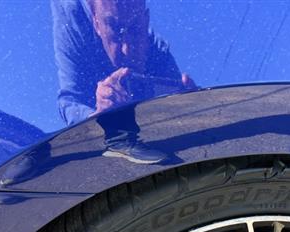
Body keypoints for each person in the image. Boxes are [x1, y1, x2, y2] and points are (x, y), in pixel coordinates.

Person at [52, 0, 195, 164]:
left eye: (135, 28)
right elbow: (70, 100)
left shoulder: (156, 46)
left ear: (146, 20)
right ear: (96, 23)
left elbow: (179, 102)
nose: (127, 48)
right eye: (115, 29)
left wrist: (188, 99)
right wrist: (96, 114)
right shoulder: (71, 17)